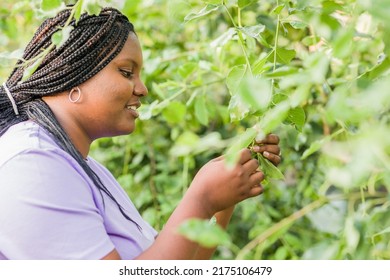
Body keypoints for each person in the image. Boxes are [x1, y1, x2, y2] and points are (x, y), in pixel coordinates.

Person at [0, 7, 281, 260]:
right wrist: (201, 199)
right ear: (75, 76)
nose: (142, 89)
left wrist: (222, 200)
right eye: (126, 72)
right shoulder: (31, 163)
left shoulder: (81, 166)